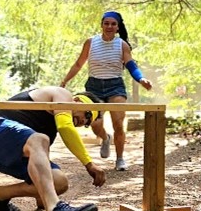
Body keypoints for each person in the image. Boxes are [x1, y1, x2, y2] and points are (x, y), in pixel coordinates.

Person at [0, 86, 106, 211]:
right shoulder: (62, 94)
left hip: (2, 152)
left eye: (87, 123)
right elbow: (66, 126)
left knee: (59, 181)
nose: (84, 122)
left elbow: (40, 166)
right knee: (40, 140)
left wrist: (42, 197)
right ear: (77, 100)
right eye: (87, 114)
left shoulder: (48, 131)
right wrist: (89, 164)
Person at [60, 10, 152, 171]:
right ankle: (105, 138)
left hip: (115, 86)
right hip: (94, 87)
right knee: (95, 125)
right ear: (102, 25)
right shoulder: (91, 42)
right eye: (106, 23)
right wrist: (65, 80)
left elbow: (130, 64)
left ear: (118, 27)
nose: (109, 26)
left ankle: (120, 159)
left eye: (113, 24)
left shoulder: (122, 44)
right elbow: (78, 64)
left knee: (118, 122)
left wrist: (141, 79)